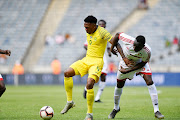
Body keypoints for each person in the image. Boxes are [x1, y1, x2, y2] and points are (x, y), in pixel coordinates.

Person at [60, 15, 113, 120]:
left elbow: (114, 41)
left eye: (87, 27)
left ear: (94, 25)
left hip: (97, 62)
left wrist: (117, 52)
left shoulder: (102, 32)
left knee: (89, 84)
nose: (85, 29)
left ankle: (89, 114)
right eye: (84, 27)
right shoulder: (89, 31)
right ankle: (70, 102)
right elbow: (87, 44)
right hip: (87, 59)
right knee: (67, 73)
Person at [108, 32, 164, 119]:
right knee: (119, 85)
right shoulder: (128, 40)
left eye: (137, 47)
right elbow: (117, 35)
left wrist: (128, 71)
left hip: (139, 64)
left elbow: (143, 64)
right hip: (125, 62)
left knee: (150, 81)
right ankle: (116, 108)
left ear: (142, 46)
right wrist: (114, 50)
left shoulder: (147, 51)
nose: (134, 48)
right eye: (134, 45)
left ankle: (156, 110)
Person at [83, 19, 112, 102]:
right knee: (95, 76)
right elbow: (85, 45)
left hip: (103, 58)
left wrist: (109, 52)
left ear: (105, 27)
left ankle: (97, 97)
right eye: (100, 25)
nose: (101, 26)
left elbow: (108, 47)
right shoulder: (93, 33)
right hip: (94, 57)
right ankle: (86, 87)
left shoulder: (106, 34)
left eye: (103, 25)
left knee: (103, 76)